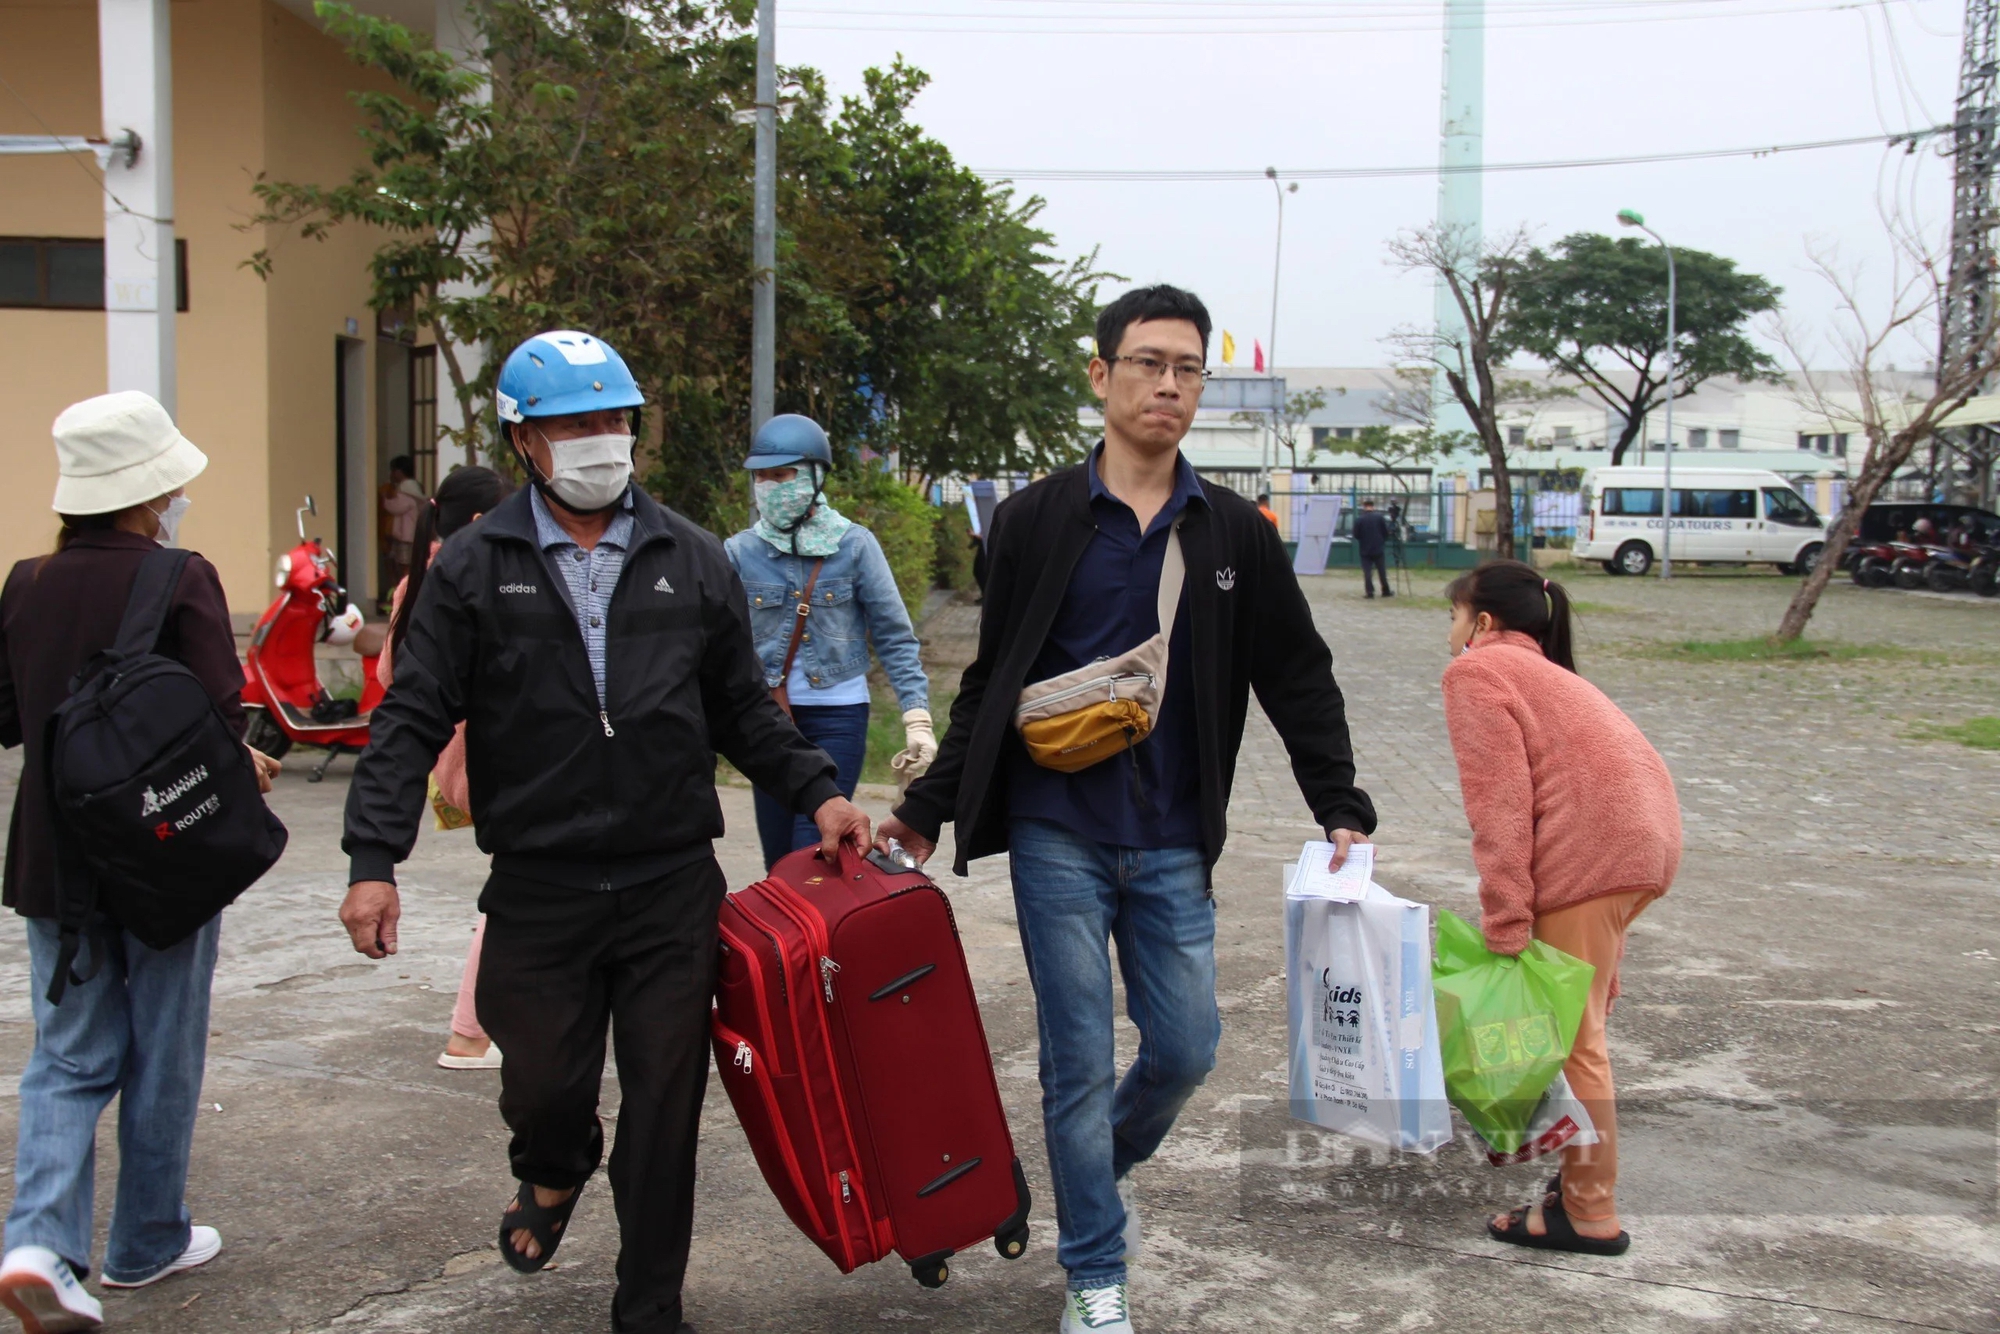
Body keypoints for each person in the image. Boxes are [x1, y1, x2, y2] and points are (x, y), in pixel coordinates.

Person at [337, 330, 869, 1334]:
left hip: (670, 881)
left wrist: (820, 790)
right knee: (542, 1087)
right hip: (538, 884)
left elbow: (744, 709)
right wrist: (374, 861)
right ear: (524, 439)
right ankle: (550, 1166)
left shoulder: (690, 556)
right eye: (575, 423)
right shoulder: (476, 566)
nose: (602, 440)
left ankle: (649, 1304)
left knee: (666, 1108)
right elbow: (409, 713)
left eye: (615, 420)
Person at [876, 285, 1376, 1334]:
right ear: (1100, 376)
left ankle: (1087, 1170)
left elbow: (1297, 674)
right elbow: (993, 677)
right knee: (1073, 1051)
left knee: (1187, 1044)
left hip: (1171, 838)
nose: (1167, 383)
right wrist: (928, 803)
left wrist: (1337, 797)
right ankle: (1094, 1272)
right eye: (1146, 362)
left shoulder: (1234, 529)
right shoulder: (1033, 520)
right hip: (1056, 828)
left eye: (1186, 368)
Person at [0, 391, 279, 1331]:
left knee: (68, 1055)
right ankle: (146, 1240)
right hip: (165, 852)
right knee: (163, 1047)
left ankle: (38, 1243)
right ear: (153, 488)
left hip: (54, 859)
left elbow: (7, 720)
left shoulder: (25, 582)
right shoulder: (179, 575)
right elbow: (217, 707)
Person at [1439, 559, 1681, 1257]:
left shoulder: (1478, 672)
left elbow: (1502, 808)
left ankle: (1590, 1213)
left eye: (1452, 617)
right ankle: (1572, 1190)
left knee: (1576, 1045)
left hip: (1594, 858)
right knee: (1578, 1024)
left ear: (1482, 623)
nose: (1451, 634)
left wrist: (1506, 921)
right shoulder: (1551, 673)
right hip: (1637, 850)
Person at [724, 415, 934, 869]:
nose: (769, 486)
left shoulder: (855, 546)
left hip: (838, 716)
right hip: (769, 722)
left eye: (782, 475)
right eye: (762, 476)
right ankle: (792, 940)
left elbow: (895, 636)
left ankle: (822, 939)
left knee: (814, 847)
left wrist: (916, 717)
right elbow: (719, 647)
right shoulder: (739, 552)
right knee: (778, 859)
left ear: (815, 477)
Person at [374, 465, 514, 1071]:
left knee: (514, 888)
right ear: (483, 522)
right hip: (490, 761)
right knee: (514, 894)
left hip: (451, 760)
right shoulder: (475, 577)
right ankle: (469, 1033)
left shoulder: (416, 579)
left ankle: (480, 1030)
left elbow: (386, 676)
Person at [379, 454, 427, 606]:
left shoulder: (406, 489)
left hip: (406, 536)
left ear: (399, 471)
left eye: (393, 471)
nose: (391, 475)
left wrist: (383, 498)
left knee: (404, 566)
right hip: (414, 535)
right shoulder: (416, 488)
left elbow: (395, 507)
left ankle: (406, 597)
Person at [1353, 498, 1391, 598]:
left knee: (1367, 572)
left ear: (1364, 507)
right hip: (1378, 548)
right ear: (1373, 506)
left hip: (1365, 549)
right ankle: (1385, 590)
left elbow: (1356, 534)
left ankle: (1370, 592)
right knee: (1382, 571)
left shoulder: (1360, 519)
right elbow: (1385, 533)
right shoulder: (1379, 518)